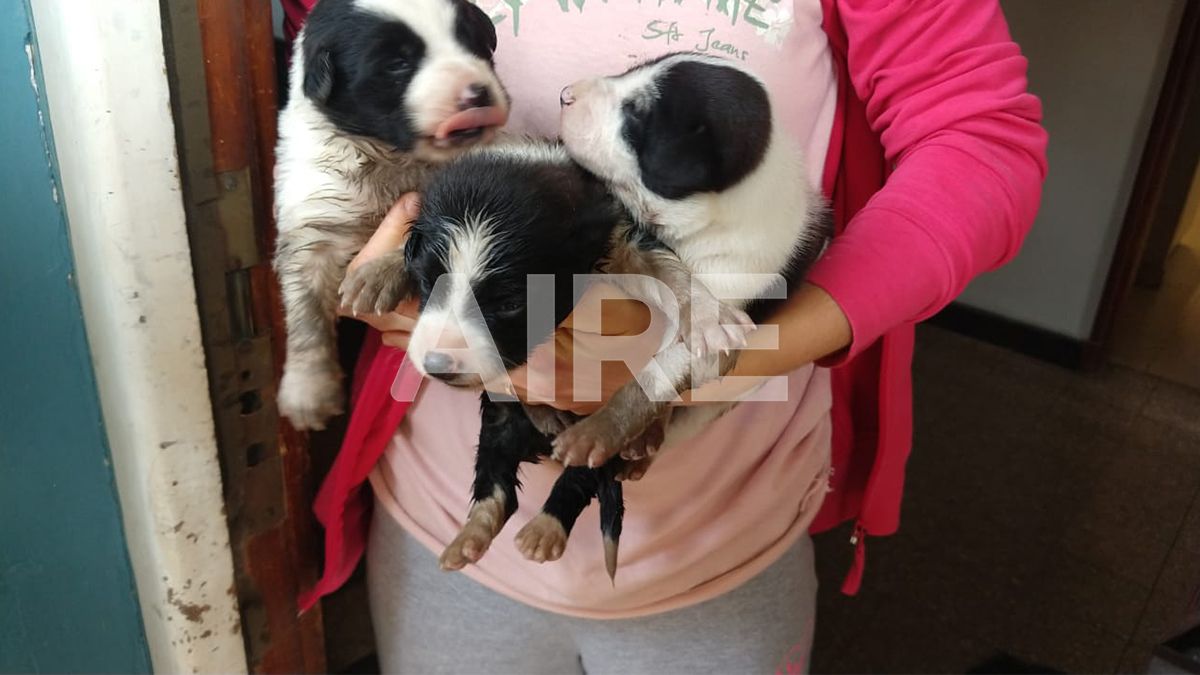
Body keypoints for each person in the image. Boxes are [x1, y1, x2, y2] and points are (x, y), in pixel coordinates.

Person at [284, 1, 1048, 672]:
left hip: (718, 536)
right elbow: (315, 75)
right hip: (436, 513)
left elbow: (980, 138)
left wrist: (710, 360)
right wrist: (368, 264)